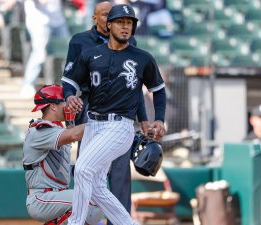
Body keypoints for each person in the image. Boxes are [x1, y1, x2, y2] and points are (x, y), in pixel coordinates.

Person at [62, 4, 167, 224]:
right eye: (120, 22)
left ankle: (76, 222)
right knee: (97, 185)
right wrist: (70, 95)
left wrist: (157, 119)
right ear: (109, 25)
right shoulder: (90, 53)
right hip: (92, 123)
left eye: (129, 23)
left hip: (119, 126)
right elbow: (69, 81)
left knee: (82, 169)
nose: (125, 27)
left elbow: (158, 90)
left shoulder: (142, 58)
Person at [22, 84, 102, 224]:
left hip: (56, 195)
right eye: (65, 101)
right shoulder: (40, 130)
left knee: (93, 201)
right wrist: (105, 123)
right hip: (42, 198)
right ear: (53, 106)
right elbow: (74, 134)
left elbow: (60, 164)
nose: (68, 105)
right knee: (89, 203)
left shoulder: (57, 129)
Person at [21, 0, 70, 97]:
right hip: (38, 20)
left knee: (70, 51)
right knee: (40, 53)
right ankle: (28, 85)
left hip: (58, 20)